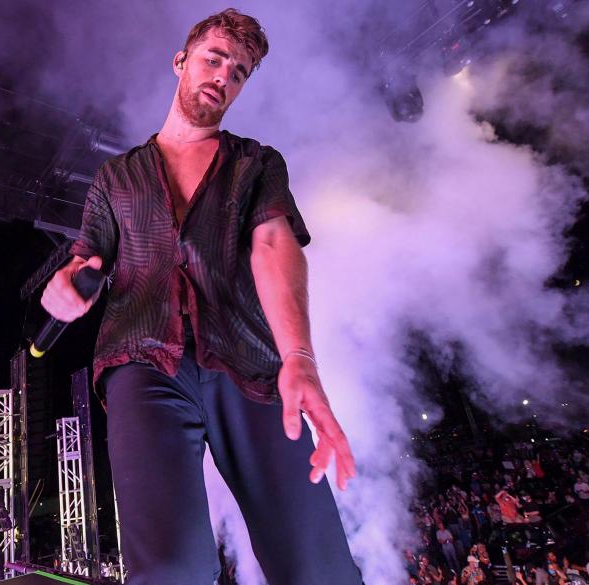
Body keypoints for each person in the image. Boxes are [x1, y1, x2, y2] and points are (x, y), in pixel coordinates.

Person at [41, 9, 361, 585]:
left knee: (320, 568)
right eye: (214, 59)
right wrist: (66, 285)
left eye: (239, 71)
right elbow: (86, 255)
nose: (223, 75)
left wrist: (299, 358)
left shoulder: (257, 164)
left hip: (250, 366)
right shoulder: (116, 177)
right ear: (181, 62)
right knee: (171, 568)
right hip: (143, 364)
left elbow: (272, 242)